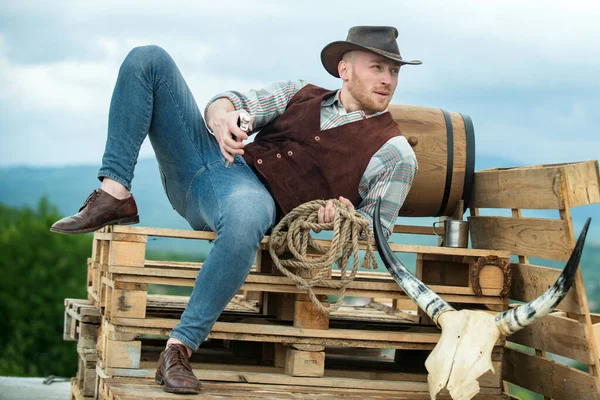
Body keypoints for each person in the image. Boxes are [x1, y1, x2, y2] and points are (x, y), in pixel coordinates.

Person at [51, 26, 420, 394]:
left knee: (246, 213)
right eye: (378, 67)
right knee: (148, 59)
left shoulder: (394, 152)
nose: (388, 80)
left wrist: (343, 219)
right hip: (203, 160)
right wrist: (222, 118)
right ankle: (114, 192)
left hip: (253, 200)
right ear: (345, 69)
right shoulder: (299, 92)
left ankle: (178, 349)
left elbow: (376, 235)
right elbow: (227, 101)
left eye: (394, 72)